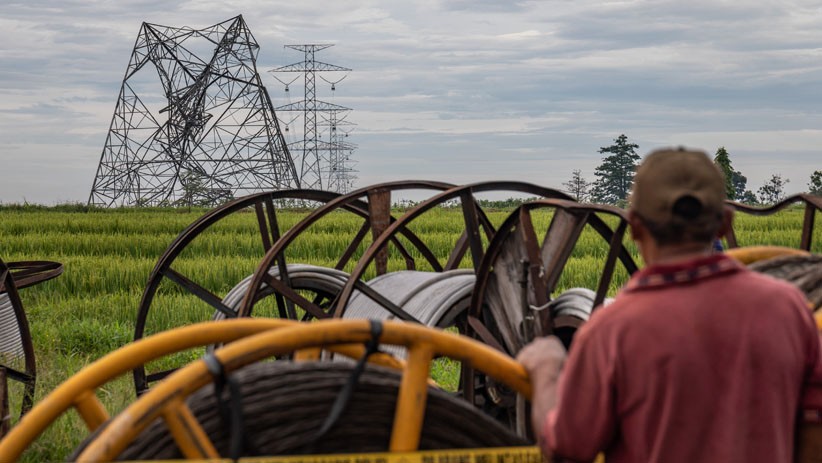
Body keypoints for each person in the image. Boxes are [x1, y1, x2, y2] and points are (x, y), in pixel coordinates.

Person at [517, 147, 822, 462]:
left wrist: (546, 370)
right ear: (724, 224)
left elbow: (567, 445)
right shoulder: (788, 309)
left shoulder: (611, 330)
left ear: (634, 226)